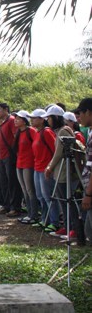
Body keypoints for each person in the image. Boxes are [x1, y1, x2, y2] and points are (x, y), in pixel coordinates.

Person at [44, 105, 85, 244]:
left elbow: (59, 153)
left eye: (49, 118)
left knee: (69, 202)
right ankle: (67, 228)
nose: (47, 121)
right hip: (60, 172)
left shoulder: (63, 131)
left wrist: (49, 167)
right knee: (64, 202)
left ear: (55, 117)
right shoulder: (59, 131)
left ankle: (74, 230)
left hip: (65, 172)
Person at [29, 108, 59, 232]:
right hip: (37, 167)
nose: (31, 120)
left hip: (45, 168)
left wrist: (51, 167)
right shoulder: (37, 132)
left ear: (42, 120)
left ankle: (54, 221)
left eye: (34, 118)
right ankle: (44, 219)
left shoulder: (47, 132)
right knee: (40, 196)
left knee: (48, 196)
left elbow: (55, 150)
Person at [0, 102, 22, 217]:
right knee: (4, 182)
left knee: (12, 183)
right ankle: (7, 206)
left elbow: (16, 136)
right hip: (2, 157)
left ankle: (15, 207)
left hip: (9, 156)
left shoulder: (11, 120)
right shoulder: (2, 123)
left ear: (6, 109)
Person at [13, 110, 39, 225]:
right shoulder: (19, 132)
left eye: (18, 118)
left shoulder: (31, 131)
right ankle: (29, 214)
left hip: (29, 164)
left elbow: (36, 145)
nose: (15, 120)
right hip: (19, 164)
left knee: (30, 190)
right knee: (24, 190)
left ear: (24, 121)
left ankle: (34, 215)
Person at [76, 98, 92, 241]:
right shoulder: (89, 132)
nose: (78, 117)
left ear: (88, 112)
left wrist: (88, 194)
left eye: (80, 113)